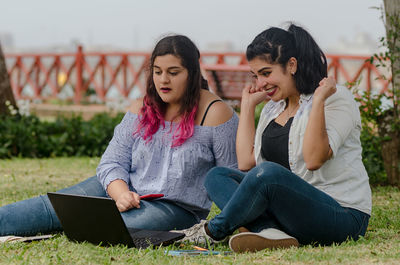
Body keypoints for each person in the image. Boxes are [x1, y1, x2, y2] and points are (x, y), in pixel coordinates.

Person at [0, 35, 238, 237]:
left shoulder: (215, 114)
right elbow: (112, 161)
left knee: (116, 228)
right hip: (118, 187)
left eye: (173, 72)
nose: (163, 80)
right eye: (158, 72)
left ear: (193, 73)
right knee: (51, 207)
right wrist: (121, 193)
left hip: (174, 208)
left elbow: (229, 178)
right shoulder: (141, 108)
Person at [177, 23, 372, 253]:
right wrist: (248, 107)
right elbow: (246, 163)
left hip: (341, 216)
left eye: (266, 73)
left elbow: (313, 159)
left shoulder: (335, 99)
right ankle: (269, 232)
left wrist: (318, 101)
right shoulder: (273, 108)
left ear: (291, 65)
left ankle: (212, 232)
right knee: (217, 176)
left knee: (268, 174)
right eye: (256, 75)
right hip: (292, 214)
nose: (260, 84)